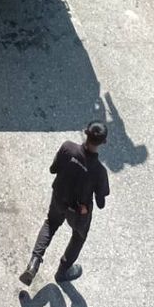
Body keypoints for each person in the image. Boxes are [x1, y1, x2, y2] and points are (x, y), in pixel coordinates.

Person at [19, 121, 110, 286]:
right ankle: (63, 271)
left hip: (59, 198)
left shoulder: (68, 147)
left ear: (85, 133)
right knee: (78, 237)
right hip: (78, 212)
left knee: (50, 224)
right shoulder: (99, 171)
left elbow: (53, 169)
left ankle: (34, 263)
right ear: (103, 142)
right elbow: (101, 202)